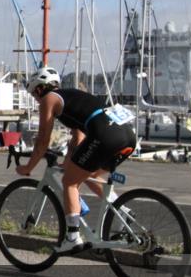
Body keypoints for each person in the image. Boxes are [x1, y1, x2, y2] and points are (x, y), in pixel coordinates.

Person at [17, 66, 137, 255]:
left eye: (34, 94)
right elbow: (78, 138)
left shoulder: (49, 100)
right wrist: (68, 163)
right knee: (90, 176)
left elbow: (42, 141)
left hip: (104, 136)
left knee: (69, 183)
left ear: (40, 88)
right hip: (126, 135)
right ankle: (124, 212)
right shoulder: (73, 96)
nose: (36, 99)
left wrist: (28, 167)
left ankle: (72, 237)